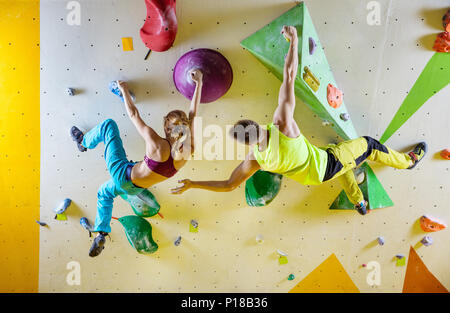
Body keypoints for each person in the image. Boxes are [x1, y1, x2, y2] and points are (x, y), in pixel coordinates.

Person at [171, 26, 427, 215]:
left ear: (247, 144)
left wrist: (193, 184)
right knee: (368, 146)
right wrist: (293, 41)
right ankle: (408, 163)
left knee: (339, 158)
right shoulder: (282, 125)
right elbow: (290, 75)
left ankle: (358, 201)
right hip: (327, 164)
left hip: (316, 172)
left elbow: (228, 185)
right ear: (258, 125)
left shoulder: (256, 160)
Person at [71, 70, 203, 257]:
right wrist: (199, 85)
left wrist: (123, 90)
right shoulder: (189, 151)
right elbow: (193, 117)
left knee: (109, 126)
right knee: (104, 193)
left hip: (122, 173)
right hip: (133, 189)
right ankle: (101, 232)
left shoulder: (157, 143)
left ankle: (83, 142)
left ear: (166, 127)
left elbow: (133, 114)